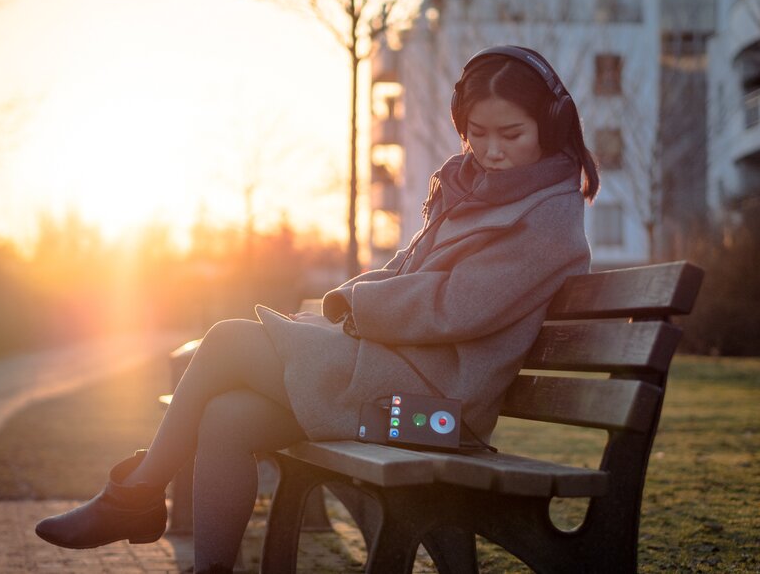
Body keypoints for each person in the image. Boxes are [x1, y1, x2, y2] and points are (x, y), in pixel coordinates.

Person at [35, 45, 599, 573]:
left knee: (228, 340)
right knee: (226, 417)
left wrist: (354, 306)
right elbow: (405, 269)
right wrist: (348, 302)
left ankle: (133, 496)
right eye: (477, 133)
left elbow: (454, 307)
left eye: (512, 133)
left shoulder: (549, 220)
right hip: (401, 389)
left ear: (549, 127)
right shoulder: (475, 192)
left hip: (439, 419)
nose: (492, 149)